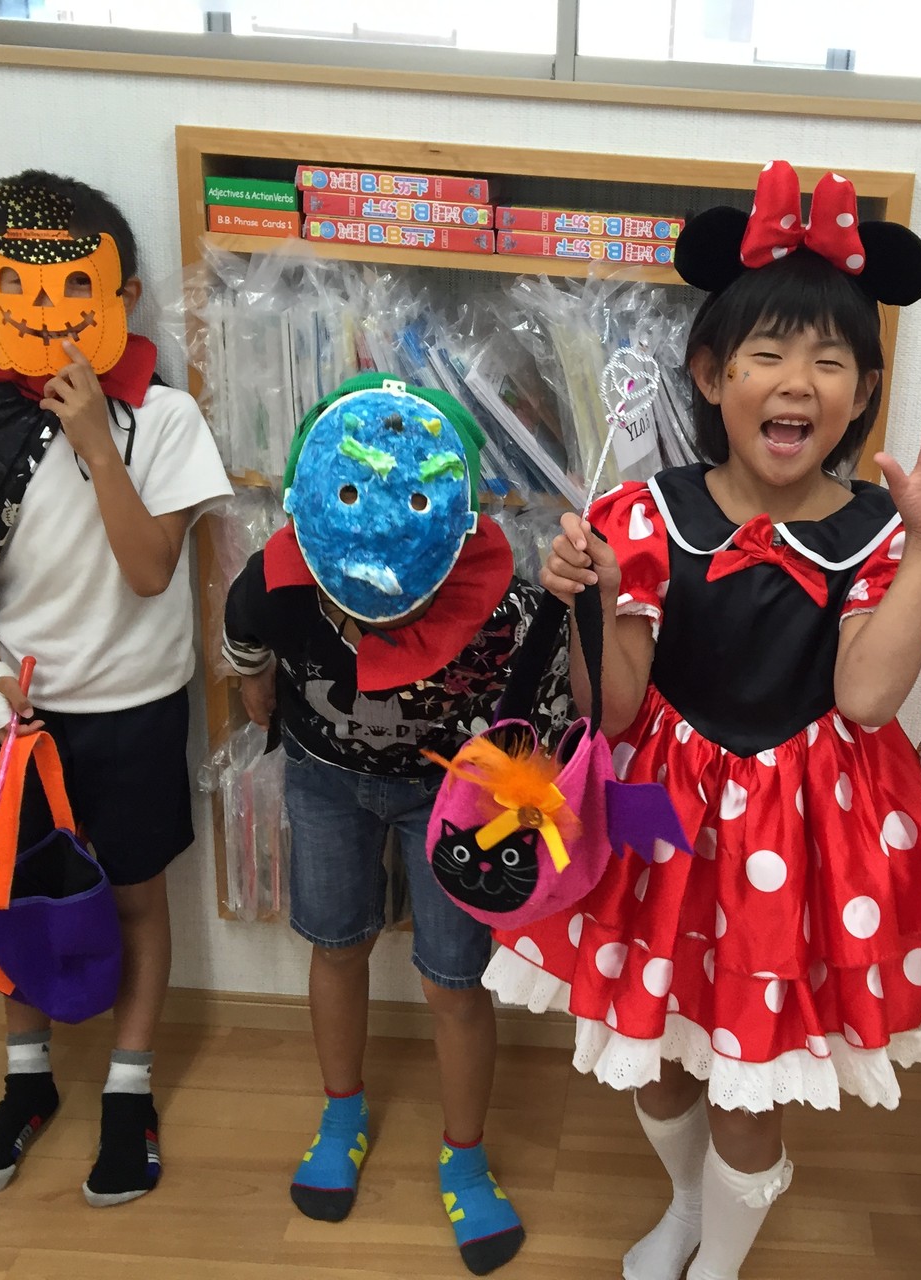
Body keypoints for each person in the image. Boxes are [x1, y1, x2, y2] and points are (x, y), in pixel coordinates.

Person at [482, 160, 921, 1280]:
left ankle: (720, 1257)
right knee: (657, 1060)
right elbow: (612, 708)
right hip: (662, 828)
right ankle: (685, 1205)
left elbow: (866, 698)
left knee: (746, 1086)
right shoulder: (646, 513)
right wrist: (591, 596)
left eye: (829, 360)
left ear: (862, 390)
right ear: (712, 374)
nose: (796, 380)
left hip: (801, 839)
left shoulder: (878, 533)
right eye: (767, 353)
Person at [0, 170, 232, 1204]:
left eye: (72, 290)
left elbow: (149, 569)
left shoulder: (168, 419)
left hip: (135, 710)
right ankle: (27, 1082)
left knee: (136, 898)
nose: (46, 313)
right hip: (25, 718)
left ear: (124, 296)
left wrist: (100, 443)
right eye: (17, 290)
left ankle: (128, 1089)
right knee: (16, 898)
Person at [222, 374, 568, 1274]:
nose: (386, 608)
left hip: (449, 802)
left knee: (455, 981)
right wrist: (253, 681)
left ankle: (466, 1154)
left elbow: (542, 720)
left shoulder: (502, 605)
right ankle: (342, 1112)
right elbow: (242, 632)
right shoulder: (280, 576)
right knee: (336, 945)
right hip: (324, 781)